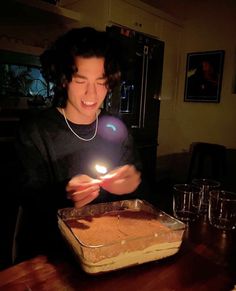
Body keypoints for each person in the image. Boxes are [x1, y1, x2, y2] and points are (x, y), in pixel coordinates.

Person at [13, 27, 144, 263]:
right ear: (64, 80)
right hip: (54, 256)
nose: (91, 93)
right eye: (80, 80)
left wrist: (132, 182)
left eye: (101, 82)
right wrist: (63, 193)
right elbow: (24, 199)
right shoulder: (35, 131)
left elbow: (136, 183)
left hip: (109, 251)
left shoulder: (116, 127)